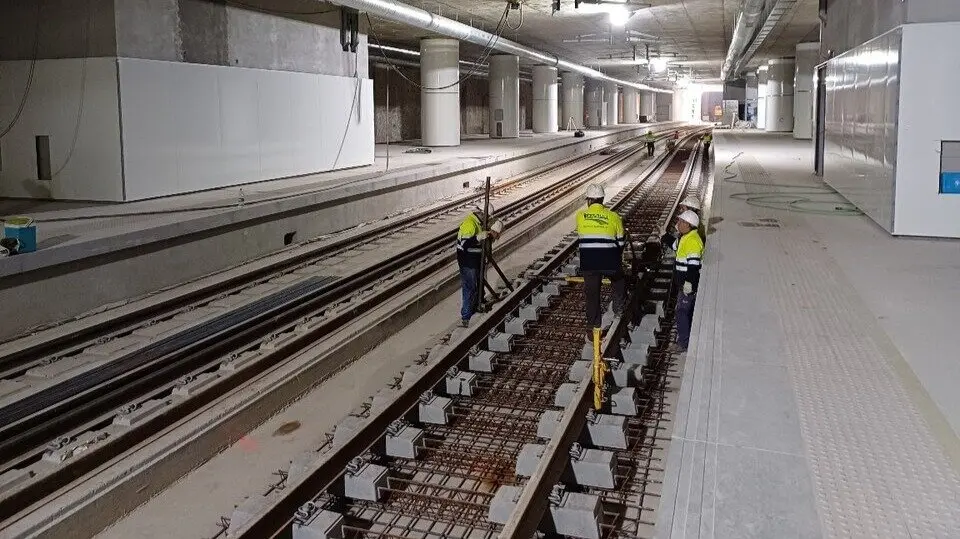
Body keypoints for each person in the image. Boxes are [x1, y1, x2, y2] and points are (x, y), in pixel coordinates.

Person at [576, 184, 626, 342]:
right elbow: (621, 242)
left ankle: (592, 330)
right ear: (603, 199)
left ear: (589, 201)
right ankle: (619, 309)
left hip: (589, 262)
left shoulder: (580, 216)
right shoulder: (614, 216)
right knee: (620, 280)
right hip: (609, 260)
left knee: (592, 295)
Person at [456, 202, 502, 327]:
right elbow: (465, 245)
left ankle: (477, 306)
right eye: (486, 216)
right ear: (481, 213)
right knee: (470, 288)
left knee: (478, 285)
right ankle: (466, 317)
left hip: (474, 260)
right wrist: (477, 238)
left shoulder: (478, 222)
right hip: (467, 262)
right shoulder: (469, 224)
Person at [671, 210, 704, 353]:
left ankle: (683, 343)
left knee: (682, 312)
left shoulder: (692, 240)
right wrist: (663, 235)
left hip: (687, 285)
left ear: (688, 225)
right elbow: (674, 246)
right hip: (683, 284)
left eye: (681, 222)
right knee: (683, 311)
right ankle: (684, 339)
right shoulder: (685, 237)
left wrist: (689, 283)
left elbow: (693, 265)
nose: (678, 224)